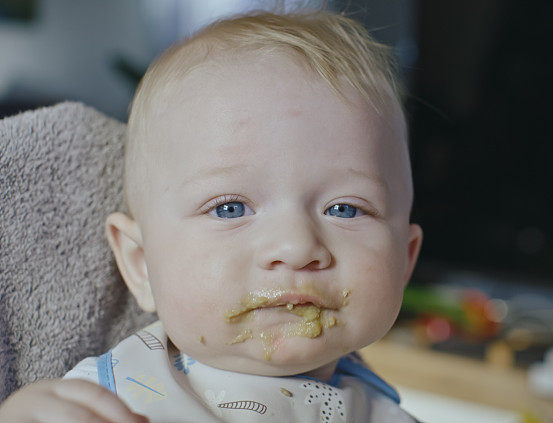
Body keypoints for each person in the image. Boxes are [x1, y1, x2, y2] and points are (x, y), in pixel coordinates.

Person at [0, 9, 423, 422]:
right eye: (229, 208)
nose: (295, 247)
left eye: (344, 209)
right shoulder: (101, 400)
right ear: (140, 263)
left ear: (404, 259)